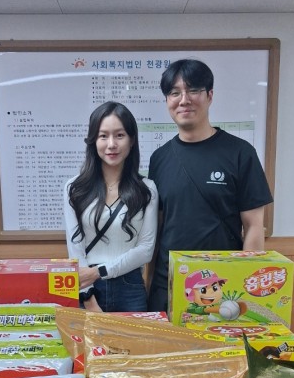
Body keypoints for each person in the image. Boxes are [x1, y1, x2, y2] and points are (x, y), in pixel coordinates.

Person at [147, 58, 273, 313]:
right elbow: (156, 228)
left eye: (193, 90)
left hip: (220, 287)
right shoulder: (159, 158)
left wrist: (244, 284)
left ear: (210, 95)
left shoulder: (240, 153)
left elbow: (253, 226)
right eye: (175, 93)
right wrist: (149, 284)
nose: (184, 100)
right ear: (167, 100)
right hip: (169, 284)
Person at [64, 101, 158, 312]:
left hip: (130, 288)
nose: (111, 144)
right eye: (103, 136)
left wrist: (99, 272)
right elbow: (75, 248)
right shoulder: (74, 188)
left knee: (132, 337)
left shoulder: (147, 189)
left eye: (120, 135)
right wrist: (88, 298)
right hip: (87, 288)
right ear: (93, 141)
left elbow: (145, 250)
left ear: (132, 140)